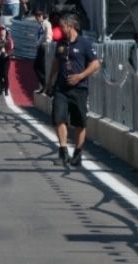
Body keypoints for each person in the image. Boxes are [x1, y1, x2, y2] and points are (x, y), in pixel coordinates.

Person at [45, 13, 101, 167]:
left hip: (79, 89)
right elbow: (56, 62)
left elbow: (95, 64)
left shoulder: (84, 43)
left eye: (62, 26)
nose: (60, 29)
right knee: (58, 118)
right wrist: (49, 81)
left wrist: (80, 76)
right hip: (61, 88)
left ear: (70, 26)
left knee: (79, 122)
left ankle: (77, 153)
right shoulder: (60, 43)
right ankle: (63, 151)